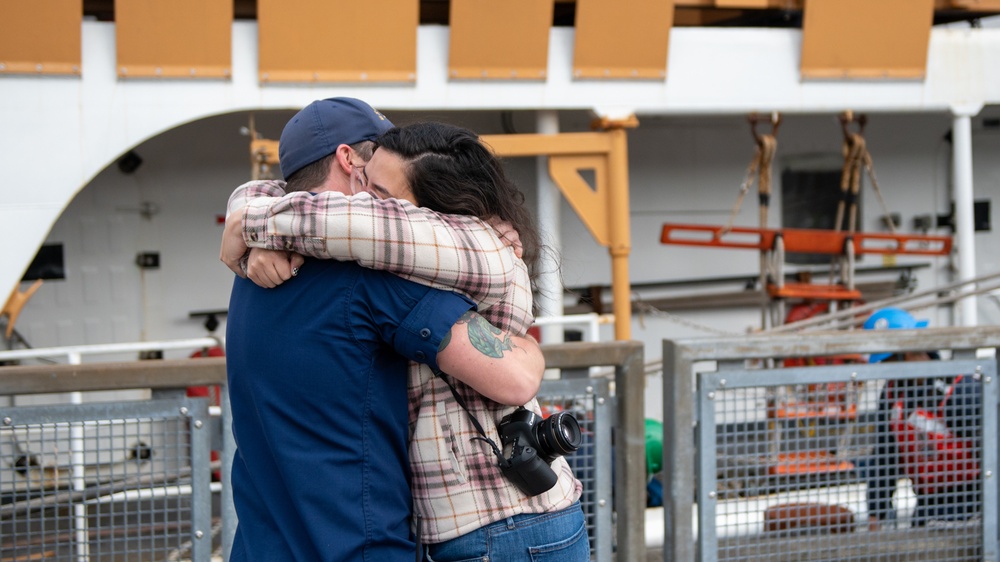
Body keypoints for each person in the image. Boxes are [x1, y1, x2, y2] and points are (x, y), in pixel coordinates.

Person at [225, 121, 588, 560]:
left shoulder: (477, 246)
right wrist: (253, 220)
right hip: (474, 524)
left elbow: (360, 224)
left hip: (504, 521)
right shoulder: (405, 262)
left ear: (431, 209)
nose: (364, 200)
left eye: (380, 194)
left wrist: (250, 223)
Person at [858, 307, 982, 530]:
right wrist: (875, 513)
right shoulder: (893, 393)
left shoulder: (958, 391)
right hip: (927, 504)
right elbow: (885, 457)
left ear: (908, 353)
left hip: (971, 503)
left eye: (887, 362)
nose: (884, 370)